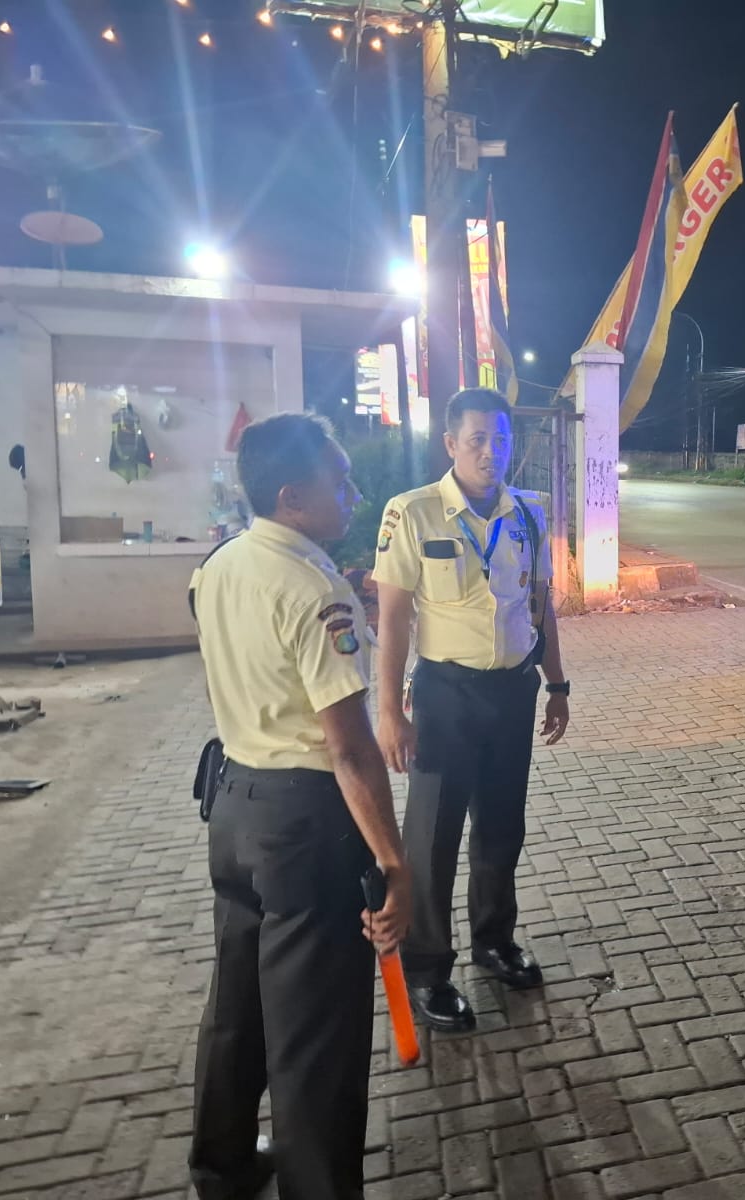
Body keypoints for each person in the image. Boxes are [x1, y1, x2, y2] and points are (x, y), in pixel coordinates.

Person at [187, 412, 411, 1200]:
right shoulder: (315, 591)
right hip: (305, 825)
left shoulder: (219, 566)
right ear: (292, 496)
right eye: (339, 480)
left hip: (233, 808)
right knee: (315, 1034)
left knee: (238, 1007)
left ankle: (221, 1166)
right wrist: (393, 864)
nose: (352, 492)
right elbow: (349, 750)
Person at [373, 387, 571, 1031]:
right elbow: (394, 619)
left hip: (513, 692)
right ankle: (428, 969)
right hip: (445, 695)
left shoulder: (529, 513)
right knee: (432, 838)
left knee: (501, 828)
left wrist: (558, 684)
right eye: (479, 440)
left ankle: (493, 940)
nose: (492, 452)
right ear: (451, 444)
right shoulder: (414, 513)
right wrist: (390, 711)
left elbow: (540, 606)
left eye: (503, 439)